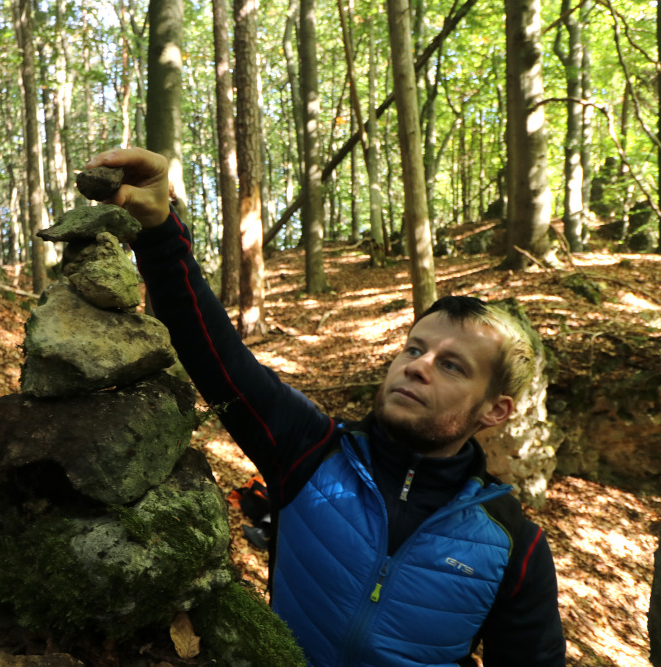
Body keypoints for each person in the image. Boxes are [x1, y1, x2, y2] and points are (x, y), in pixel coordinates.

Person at [84, 147, 566, 666]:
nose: (418, 366)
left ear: (495, 411)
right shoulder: (310, 451)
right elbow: (213, 351)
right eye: (414, 348)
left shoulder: (514, 547)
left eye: (452, 366)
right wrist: (159, 228)